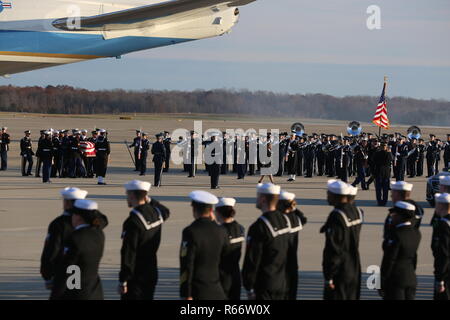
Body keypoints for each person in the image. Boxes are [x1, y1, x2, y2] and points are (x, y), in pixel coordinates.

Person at [119, 180, 170, 300]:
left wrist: (123, 280)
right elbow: (166, 211)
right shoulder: (156, 213)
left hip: (136, 275)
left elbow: (128, 252)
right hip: (151, 270)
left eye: (127, 194)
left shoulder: (133, 221)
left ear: (132, 195)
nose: (127, 197)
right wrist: (150, 200)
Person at [52, 199, 108, 300]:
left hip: (78, 293)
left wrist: (56, 294)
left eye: (73, 214)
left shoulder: (75, 238)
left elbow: (68, 270)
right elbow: (103, 219)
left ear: (78, 217)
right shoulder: (99, 234)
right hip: (95, 291)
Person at [242, 183, 290, 300]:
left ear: (263, 199)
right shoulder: (284, 220)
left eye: (258, 196)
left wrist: (249, 286)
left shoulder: (259, 227)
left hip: (264, 285)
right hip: (281, 282)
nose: (256, 199)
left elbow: (253, 259)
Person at [179, 191, 229, 300]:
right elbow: (226, 262)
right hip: (218, 289)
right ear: (211, 210)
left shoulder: (190, 231)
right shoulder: (222, 231)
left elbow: (187, 263)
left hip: (198, 290)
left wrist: (186, 293)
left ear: (194, 209)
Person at [40, 187, 88, 299]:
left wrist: (47, 275)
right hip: (85, 277)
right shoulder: (89, 223)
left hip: (64, 275)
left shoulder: (58, 224)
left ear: (66, 203)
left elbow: (50, 251)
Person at [321, 180, 363, 300]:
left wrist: (329, 276)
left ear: (336, 197)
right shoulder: (357, 211)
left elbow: (334, 248)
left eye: (329, 194)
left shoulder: (337, 216)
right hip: (354, 267)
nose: (327, 196)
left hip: (341, 271)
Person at [380, 201, 421, 300]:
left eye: (394, 214)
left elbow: (389, 260)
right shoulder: (416, 233)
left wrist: (382, 281)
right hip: (410, 277)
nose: (392, 216)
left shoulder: (396, 234)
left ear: (401, 216)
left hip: (396, 280)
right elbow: (414, 257)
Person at [277, 191, 308, 300]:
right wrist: (294, 208)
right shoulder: (296, 219)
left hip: (279, 263)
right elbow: (304, 219)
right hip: (292, 261)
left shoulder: (277, 219)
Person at [215, 197, 245, 300]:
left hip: (220, 276)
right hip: (235, 274)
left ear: (218, 212)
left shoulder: (219, 231)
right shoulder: (240, 228)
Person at [431, 193, 450, 300]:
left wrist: (440, 279)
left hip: (446, 273)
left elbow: (444, 254)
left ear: (442, 206)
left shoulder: (444, 226)